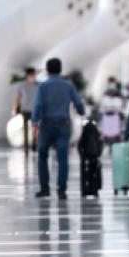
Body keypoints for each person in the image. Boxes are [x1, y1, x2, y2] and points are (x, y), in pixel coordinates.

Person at [32, 58, 85, 199]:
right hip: (63, 124)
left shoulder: (42, 86)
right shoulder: (68, 85)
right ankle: (62, 190)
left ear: (48, 70)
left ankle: (44, 189)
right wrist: (81, 111)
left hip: (46, 125)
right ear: (60, 69)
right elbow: (79, 103)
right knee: (62, 158)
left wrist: (34, 121)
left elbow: (37, 106)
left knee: (42, 156)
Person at [12, 67, 38, 152]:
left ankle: (34, 143)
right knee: (26, 128)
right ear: (28, 75)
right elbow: (18, 97)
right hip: (25, 109)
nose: (33, 76)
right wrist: (15, 108)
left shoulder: (36, 85)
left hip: (34, 108)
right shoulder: (21, 85)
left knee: (35, 127)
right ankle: (26, 145)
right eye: (32, 74)